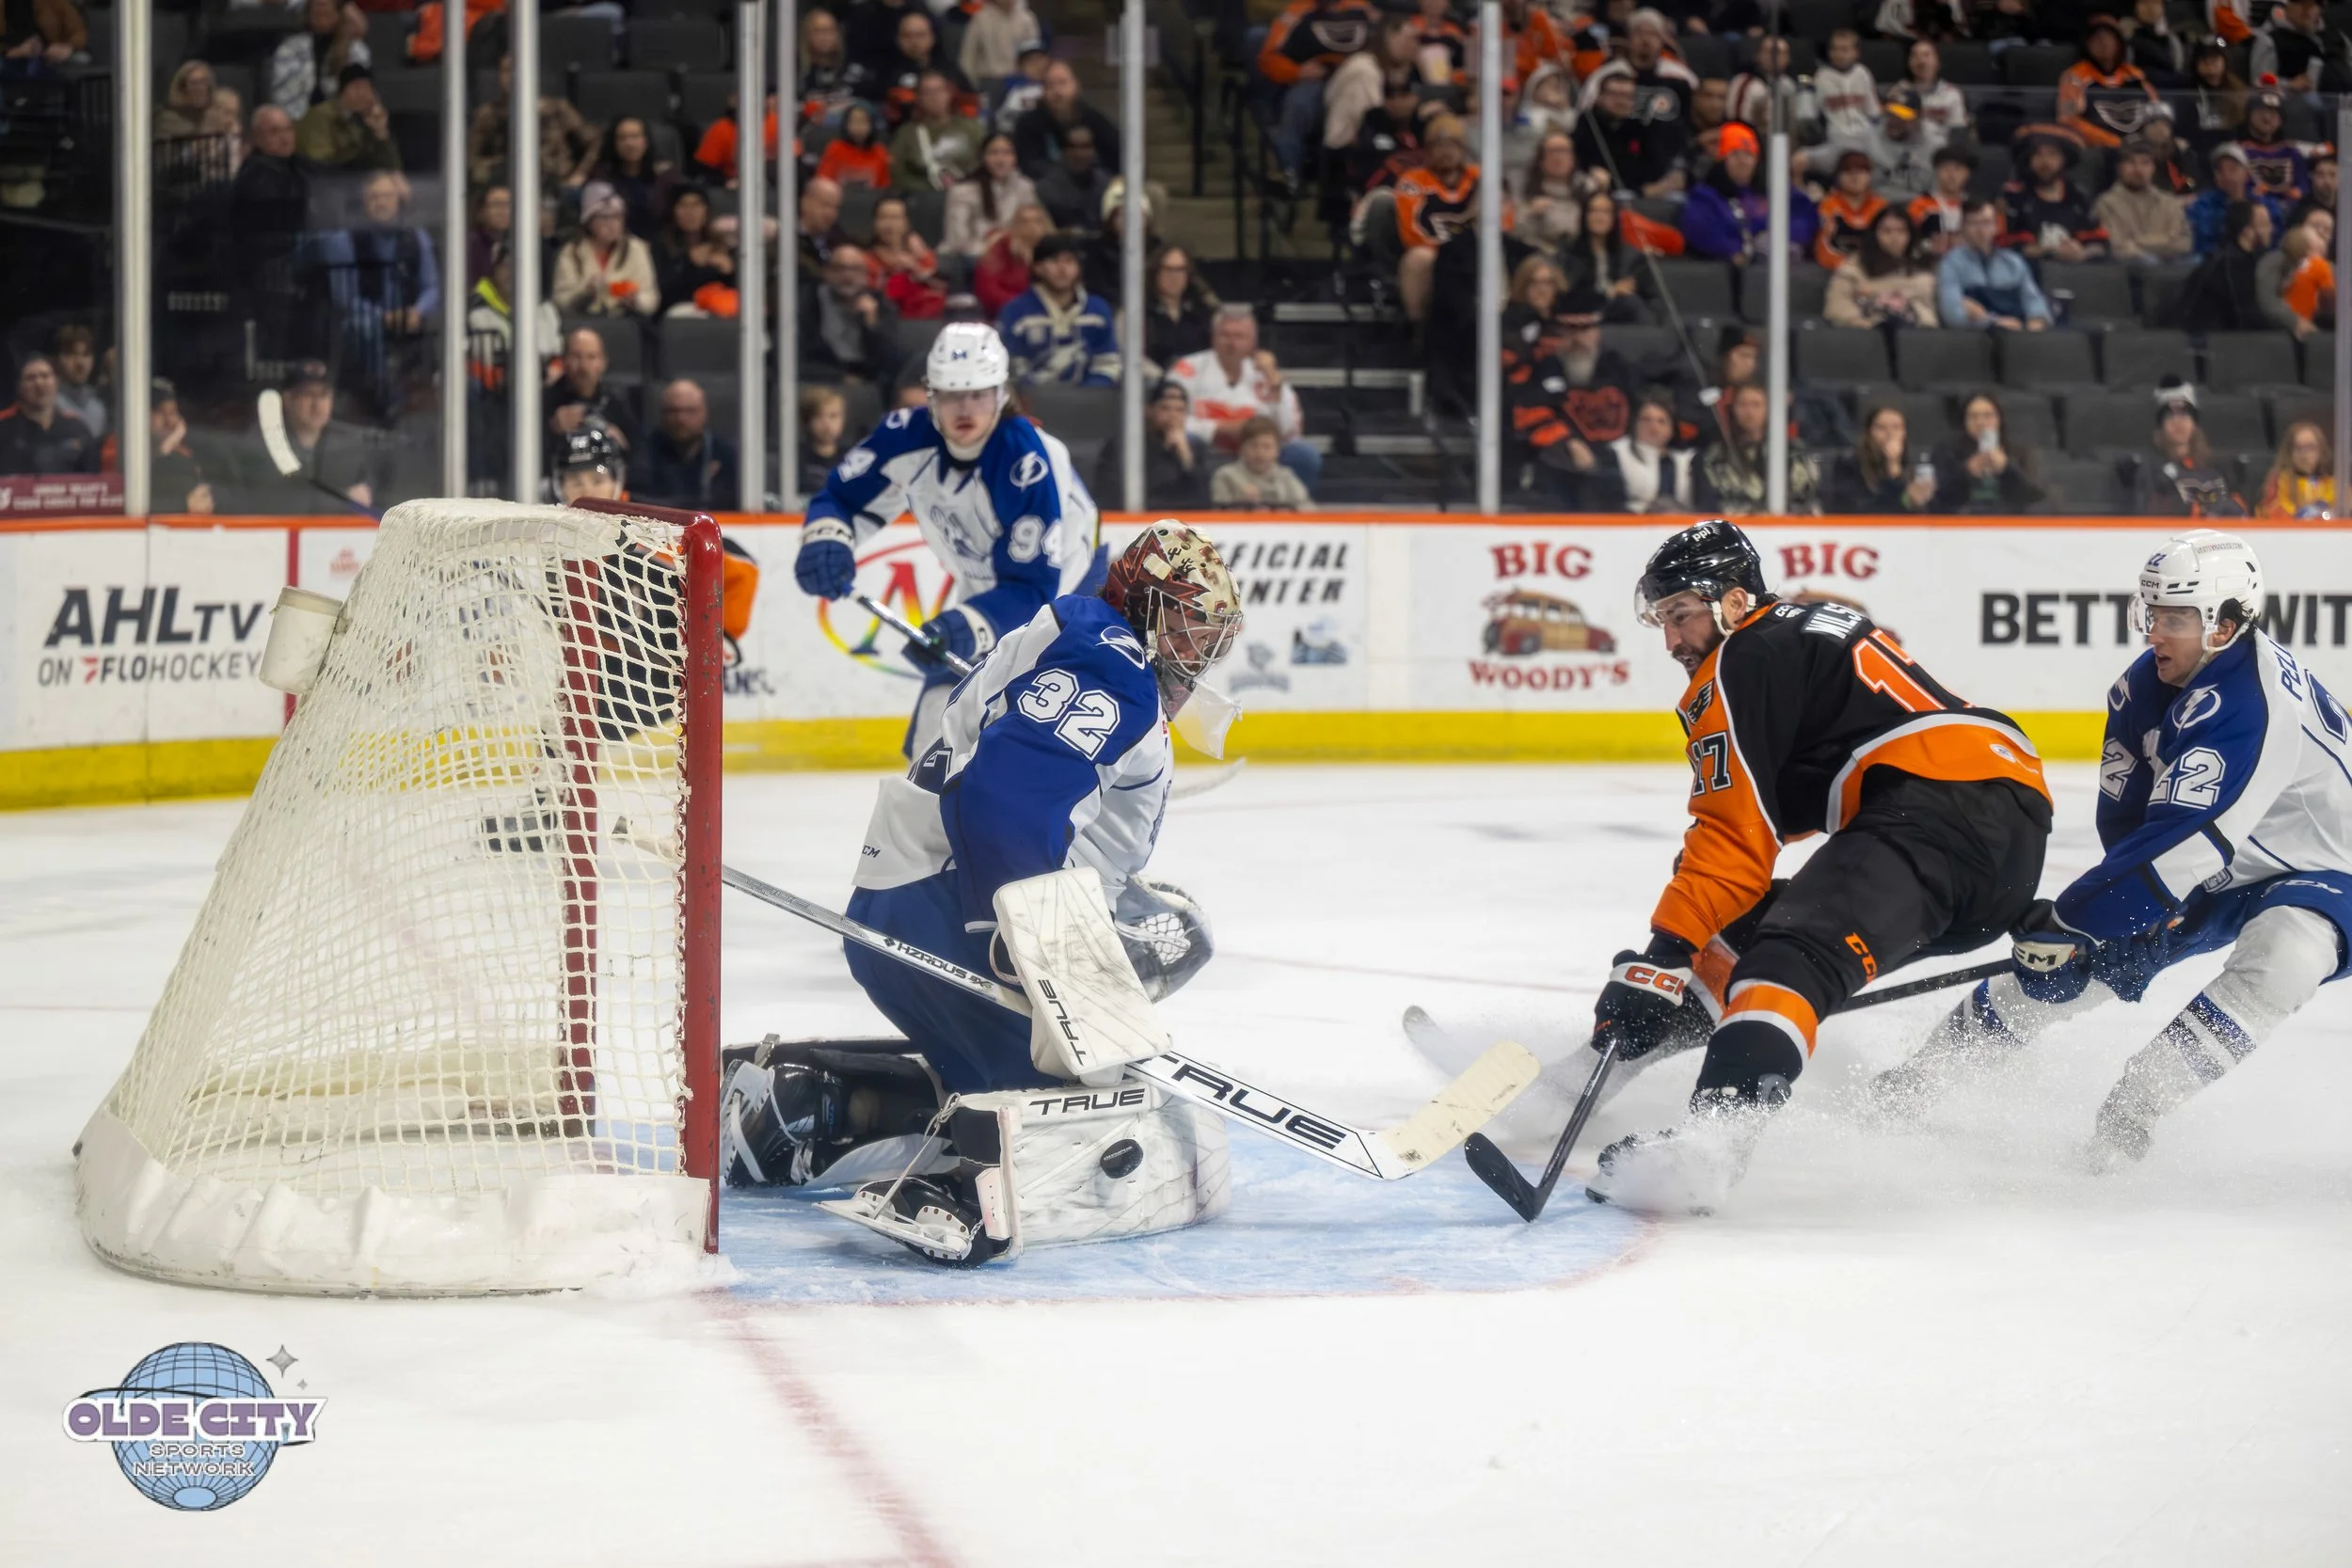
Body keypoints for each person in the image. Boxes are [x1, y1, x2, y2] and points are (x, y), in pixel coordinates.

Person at [726, 523, 1237, 1266]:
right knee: (1093, 1101)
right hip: (955, 911)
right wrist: (1023, 944)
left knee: (1167, 932)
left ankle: (803, 1106)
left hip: (916, 903)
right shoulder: (1116, 669)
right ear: (1145, 609)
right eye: (1189, 627)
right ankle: (971, 1181)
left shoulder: (1087, 640)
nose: (1201, 652)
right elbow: (1002, 804)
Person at [1571, 521, 2051, 1215]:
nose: (1672, 641)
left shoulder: (1738, 660)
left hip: (1936, 811)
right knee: (1739, 940)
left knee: (1789, 956)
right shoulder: (1796, 632)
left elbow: (1735, 839)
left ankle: (1712, 1145)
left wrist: (1664, 950)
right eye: (1662, 621)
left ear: (1733, 603)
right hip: (1998, 831)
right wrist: (1690, 941)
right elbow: (1777, 809)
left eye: (1681, 615)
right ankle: (1582, 1080)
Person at [1869, 531, 2352, 1170]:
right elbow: (2132, 820)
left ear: (2226, 625)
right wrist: (2109, 923)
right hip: (2223, 862)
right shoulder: (2141, 690)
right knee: (2066, 964)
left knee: (2289, 952)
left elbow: (2187, 842)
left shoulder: (2248, 704)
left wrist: (2075, 921)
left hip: (2327, 866)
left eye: (2176, 617)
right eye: (2152, 612)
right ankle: (1919, 1080)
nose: (2155, 631)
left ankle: (2133, 1113)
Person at [793, 321, 1104, 757]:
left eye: (978, 394)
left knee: (1050, 743)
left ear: (1001, 394)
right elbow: (841, 497)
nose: (965, 409)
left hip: (1074, 596)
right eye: (952, 395)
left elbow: (1035, 587)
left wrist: (969, 626)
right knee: (934, 739)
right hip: (992, 591)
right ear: (931, 394)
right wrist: (827, 537)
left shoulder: (1029, 459)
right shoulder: (905, 435)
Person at [1257, 0, 1377, 181]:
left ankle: (1366, 174)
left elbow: (1386, 38)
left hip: (1356, 76)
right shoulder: (1296, 12)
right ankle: (1289, 175)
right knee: (1298, 106)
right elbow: (1268, 57)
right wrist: (1297, 72)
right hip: (1314, 80)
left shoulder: (1362, 8)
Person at [996, 231, 1120, 388]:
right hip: (1033, 402)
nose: (1062, 269)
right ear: (1037, 267)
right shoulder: (1016, 311)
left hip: (1089, 404)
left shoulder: (1098, 310)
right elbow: (1012, 367)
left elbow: (1108, 362)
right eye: (1054, 261)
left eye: (1069, 261)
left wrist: (1090, 393)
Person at [1685, 122, 1820, 263]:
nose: (1743, 161)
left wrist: (1773, 234)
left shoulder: (1777, 192)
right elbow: (1699, 231)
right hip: (1736, 269)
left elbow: (1806, 220)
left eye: (1749, 155)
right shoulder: (1705, 195)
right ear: (1722, 160)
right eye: (1735, 154)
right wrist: (1740, 247)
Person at [1393, 116, 1480, 322]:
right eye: (1439, 145)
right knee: (1418, 259)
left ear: (1464, 149)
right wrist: (1448, 252)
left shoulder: (1482, 177)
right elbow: (1411, 232)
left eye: (1453, 145)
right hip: (1433, 252)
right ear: (1427, 150)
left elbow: (1504, 222)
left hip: (1475, 251)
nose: (1446, 152)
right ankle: (1420, 331)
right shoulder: (1412, 180)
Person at [2121, 377, 2246, 516]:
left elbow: (2240, 513)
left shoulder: (2219, 468)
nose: (2178, 422)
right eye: (2170, 416)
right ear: (2160, 426)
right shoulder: (2151, 471)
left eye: (2185, 415)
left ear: (2194, 424)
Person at [1698, 383, 1820, 515]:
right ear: (1733, 409)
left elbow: (1808, 497)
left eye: (1756, 404)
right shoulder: (1715, 456)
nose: (1749, 412)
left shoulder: (1795, 452)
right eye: (1742, 404)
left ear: (1770, 408)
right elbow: (1712, 504)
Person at [1937, 199, 2053, 329]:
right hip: (1971, 341)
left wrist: (2036, 323)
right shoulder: (1951, 263)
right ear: (1963, 227)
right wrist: (1992, 322)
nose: (1980, 230)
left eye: (1986, 223)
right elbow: (1952, 315)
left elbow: (2034, 301)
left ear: (1996, 227)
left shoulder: (2013, 263)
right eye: (1974, 223)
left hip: (2017, 338)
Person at [1097, 378, 1212, 509]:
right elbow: (1110, 497)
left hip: (1185, 523)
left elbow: (1204, 499)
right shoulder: (1125, 447)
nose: (1173, 415)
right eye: (1165, 408)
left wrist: (1186, 457)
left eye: (1180, 410)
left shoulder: (1196, 449)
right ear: (1149, 410)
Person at [804, 244, 908, 383]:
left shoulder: (880, 303)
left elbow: (892, 360)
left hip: (869, 381)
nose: (848, 276)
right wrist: (839, 377)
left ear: (865, 275)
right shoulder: (809, 301)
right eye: (840, 269)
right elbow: (801, 357)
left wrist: (872, 323)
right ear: (827, 272)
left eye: (855, 269)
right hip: (824, 380)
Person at [553, 185, 660, 317]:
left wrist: (635, 301)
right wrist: (586, 293)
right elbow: (561, 300)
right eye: (604, 218)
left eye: (616, 217)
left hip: (626, 321)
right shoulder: (571, 252)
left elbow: (651, 299)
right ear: (589, 221)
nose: (611, 224)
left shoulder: (636, 248)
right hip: (583, 320)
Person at [2059, 16, 2165, 150]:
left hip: (2140, 148)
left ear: (2119, 43)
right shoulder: (2074, 76)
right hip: (2098, 148)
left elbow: (2157, 111)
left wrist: (2155, 136)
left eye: (2110, 37)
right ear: (2087, 44)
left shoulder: (2134, 74)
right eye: (2097, 38)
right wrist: (2114, 142)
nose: (2104, 42)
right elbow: (2067, 119)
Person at [1825, 206, 1939, 326]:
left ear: (1910, 235)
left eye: (1901, 231)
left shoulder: (1923, 272)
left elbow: (1929, 316)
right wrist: (1868, 323)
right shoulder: (1854, 267)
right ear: (1875, 234)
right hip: (1864, 334)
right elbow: (1836, 306)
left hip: (1913, 337)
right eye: (1886, 231)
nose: (1894, 238)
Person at [1931, 392, 2043, 514]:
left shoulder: (2019, 452)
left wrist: (2006, 468)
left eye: (1988, 416)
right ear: (1965, 421)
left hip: (2009, 523)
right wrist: (1967, 472)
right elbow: (1938, 496)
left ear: (1999, 420)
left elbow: (2036, 495)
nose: (1980, 422)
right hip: (1963, 523)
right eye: (1973, 417)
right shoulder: (1947, 452)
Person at [638, 379, 740, 511]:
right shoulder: (643, 453)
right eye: (673, 411)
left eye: (689, 410)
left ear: (704, 412)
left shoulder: (725, 455)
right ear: (662, 414)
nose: (681, 419)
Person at [2005, 130, 2107, 261]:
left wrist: (2082, 253)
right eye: (2038, 154)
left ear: (2064, 159)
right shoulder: (2014, 196)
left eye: (2052, 154)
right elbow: (2008, 245)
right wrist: (2052, 252)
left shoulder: (2078, 196)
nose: (2045, 162)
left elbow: (2099, 243)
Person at [1558, 190, 1658, 324]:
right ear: (1584, 217)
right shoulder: (1569, 254)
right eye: (1593, 211)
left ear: (1614, 218)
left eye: (1606, 212)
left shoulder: (1629, 256)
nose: (1600, 217)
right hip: (1581, 315)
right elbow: (1568, 296)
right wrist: (1610, 292)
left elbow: (1646, 294)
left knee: (1632, 303)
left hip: (1618, 316)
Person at [1012, 60, 1120, 181]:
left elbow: (1116, 158)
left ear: (1076, 86)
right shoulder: (1029, 124)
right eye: (1050, 86)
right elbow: (1029, 165)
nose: (1057, 92)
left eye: (1062, 83)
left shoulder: (1095, 121)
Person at [2181, 198, 2278, 331]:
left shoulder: (2257, 260)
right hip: (2218, 341)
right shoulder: (2227, 266)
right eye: (2265, 224)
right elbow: (2243, 315)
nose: (2271, 229)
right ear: (2246, 231)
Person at [2096, 136, 2194, 263]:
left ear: (2153, 168)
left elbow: (2185, 244)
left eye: (2145, 162)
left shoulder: (2169, 203)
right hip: (2126, 275)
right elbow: (2117, 248)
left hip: (2171, 273)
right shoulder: (2106, 204)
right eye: (2131, 162)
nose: (2138, 169)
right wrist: (2165, 242)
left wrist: (2137, 241)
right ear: (2120, 168)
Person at [546, 326, 639, 458]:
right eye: (576, 357)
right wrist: (552, 430)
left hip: (605, 474)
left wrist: (620, 446)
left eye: (592, 357)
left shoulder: (617, 401)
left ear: (603, 363)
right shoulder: (544, 402)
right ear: (564, 361)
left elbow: (641, 458)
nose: (584, 366)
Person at [1827, 404, 1939, 513]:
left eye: (1896, 428)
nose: (1890, 434)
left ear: (1904, 433)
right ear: (1869, 433)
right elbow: (1862, 508)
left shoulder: (1915, 465)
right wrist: (1892, 466)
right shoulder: (1848, 465)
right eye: (1881, 428)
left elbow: (1921, 510)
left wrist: (1915, 500)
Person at [0, 356, 100, 475]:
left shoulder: (77, 430)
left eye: (45, 376)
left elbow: (94, 480)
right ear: (20, 387)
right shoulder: (4, 431)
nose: (39, 383)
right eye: (30, 378)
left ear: (56, 382)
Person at [944, 133, 1036, 261]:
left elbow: (1031, 229)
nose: (1000, 160)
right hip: (971, 259)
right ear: (982, 158)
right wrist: (994, 248)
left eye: (1007, 153)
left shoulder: (1025, 187)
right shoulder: (962, 192)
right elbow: (957, 241)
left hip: (1015, 257)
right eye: (993, 153)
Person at [891, 71, 987, 193]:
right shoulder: (906, 133)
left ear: (949, 93)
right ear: (919, 98)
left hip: (969, 195)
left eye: (939, 91)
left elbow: (987, 163)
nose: (935, 97)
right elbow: (898, 173)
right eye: (928, 93)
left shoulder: (972, 128)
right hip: (923, 199)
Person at [269, 0, 370, 117]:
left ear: (338, 14)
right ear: (308, 15)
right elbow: (282, 94)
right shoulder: (289, 49)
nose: (322, 11)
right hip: (299, 121)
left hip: (342, 121)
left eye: (327, 11)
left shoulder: (356, 51)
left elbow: (361, 93)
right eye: (317, 11)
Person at [584, 116, 677, 239]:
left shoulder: (666, 176)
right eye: (622, 138)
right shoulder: (601, 175)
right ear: (614, 144)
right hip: (615, 245)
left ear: (646, 141)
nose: (629, 143)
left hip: (660, 246)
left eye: (635, 137)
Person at [294, 63, 399, 170]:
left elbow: (392, 168)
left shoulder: (364, 119)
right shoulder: (320, 116)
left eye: (367, 88)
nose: (363, 94)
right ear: (342, 90)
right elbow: (320, 164)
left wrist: (380, 132)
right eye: (357, 87)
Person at [653, 185, 735, 314]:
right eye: (683, 206)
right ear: (673, 211)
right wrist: (690, 261)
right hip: (678, 315)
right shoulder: (660, 246)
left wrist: (729, 271)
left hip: (718, 311)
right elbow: (662, 292)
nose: (690, 212)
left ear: (706, 210)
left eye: (697, 205)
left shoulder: (722, 244)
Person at [1609, 393, 1696, 514]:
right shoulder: (1617, 452)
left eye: (1661, 421)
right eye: (1646, 420)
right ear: (1635, 424)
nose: (1654, 427)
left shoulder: (1687, 460)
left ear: (1671, 428)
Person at [867, 195, 947, 319]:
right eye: (883, 217)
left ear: (906, 222)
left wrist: (914, 268)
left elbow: (941, 287)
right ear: (874, 222)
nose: (889, 224)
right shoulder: (865, 259)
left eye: (895, 218)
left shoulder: (922, 255)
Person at [1139, 245, 1217, 372]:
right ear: (1155, 273)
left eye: (1180, 270)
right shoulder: (1138, 312)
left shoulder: (1202, 312)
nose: (1174, 276)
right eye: (1168, 269)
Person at [1212, 414, 1313, 509]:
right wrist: (1241, 504)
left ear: (1277, 451)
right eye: (1254, 446)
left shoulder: (1286, 476)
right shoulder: (1226, 476)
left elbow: (1308, 510)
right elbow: (1217, 515)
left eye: (1267, 447)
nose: (1260, 453)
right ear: (1242, 448)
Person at [144, 378, 214, 514]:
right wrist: (165, 448)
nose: (171, 422)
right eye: (162, 414)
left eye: (173, 413)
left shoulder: (190, 452)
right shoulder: (127, 449)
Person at [1813, 150, 1890, 271]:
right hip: (1835, 269)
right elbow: (1824, 244)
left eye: (1861, 172)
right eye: (1848, 172)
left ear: (1869, 175)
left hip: (1876, 269)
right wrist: (1846, 266)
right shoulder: (1827, 205)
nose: (1855, 177)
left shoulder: (1881, 205)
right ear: (1838, 176)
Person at [974, 200, 1052, 317]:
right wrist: (1024, 306)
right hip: (1006, 315)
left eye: (1037, 221)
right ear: (1014, 225)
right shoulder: (998, 249)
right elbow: (988, 291)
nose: (1031, 227)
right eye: (1024, 222)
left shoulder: (1056, 251)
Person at [2273, 212, 2333, 339]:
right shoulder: (2281, 265)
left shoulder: (2334, 268)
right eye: (2315, 226)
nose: (2321, 233)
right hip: (2305, 330)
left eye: (2327, 229)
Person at [2256, 420, 2335, 516]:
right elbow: (2272, 510)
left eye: (2310, 447)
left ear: (2321, 450)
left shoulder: (2333, 484)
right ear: (2289, 452)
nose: (2304, 455)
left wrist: (2322, 507)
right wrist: (2297, 515)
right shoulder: (2279, 481)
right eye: (2298, 448)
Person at [1909, 144, 1974, 257]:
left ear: (1967, 173)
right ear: (1936, 172)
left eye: (1958, 169)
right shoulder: (1921, 204)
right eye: (1945, 169)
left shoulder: (1975, 206)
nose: (1951, 175)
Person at [1903, 40, 1969, 151]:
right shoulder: (1899, 93)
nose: (1920, 60)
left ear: (1937, 62)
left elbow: (1958, 132)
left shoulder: (1952, 94)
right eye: (1915, 56)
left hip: (1941, 153)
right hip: (1906, 152)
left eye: (1926, 55)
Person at [960, 0, 1043, 86]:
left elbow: (1035, 58)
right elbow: (967, 58)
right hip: (989, 81)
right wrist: (974, 86)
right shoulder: (980, 19)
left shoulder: (1027, 19)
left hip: (1019, 82)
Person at [48, 325, 106, 445]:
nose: (80, 363)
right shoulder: (47, 403)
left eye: (86, 355)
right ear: (56, 359)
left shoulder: (100, 405)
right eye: (71, 354)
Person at [816, 102, 893, 189]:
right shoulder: (835, 148)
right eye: (853, 121)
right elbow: (823, 182)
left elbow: (883, 187)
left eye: (863, 122)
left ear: (872, 125)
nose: (858, 127)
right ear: (846, 125)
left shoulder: (879, 152)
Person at [553, 425, 627, 503]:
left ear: (616, 483)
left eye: (597, 481)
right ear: (561, 489)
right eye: (576, 484)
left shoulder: (639, 514)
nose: (588, 494)